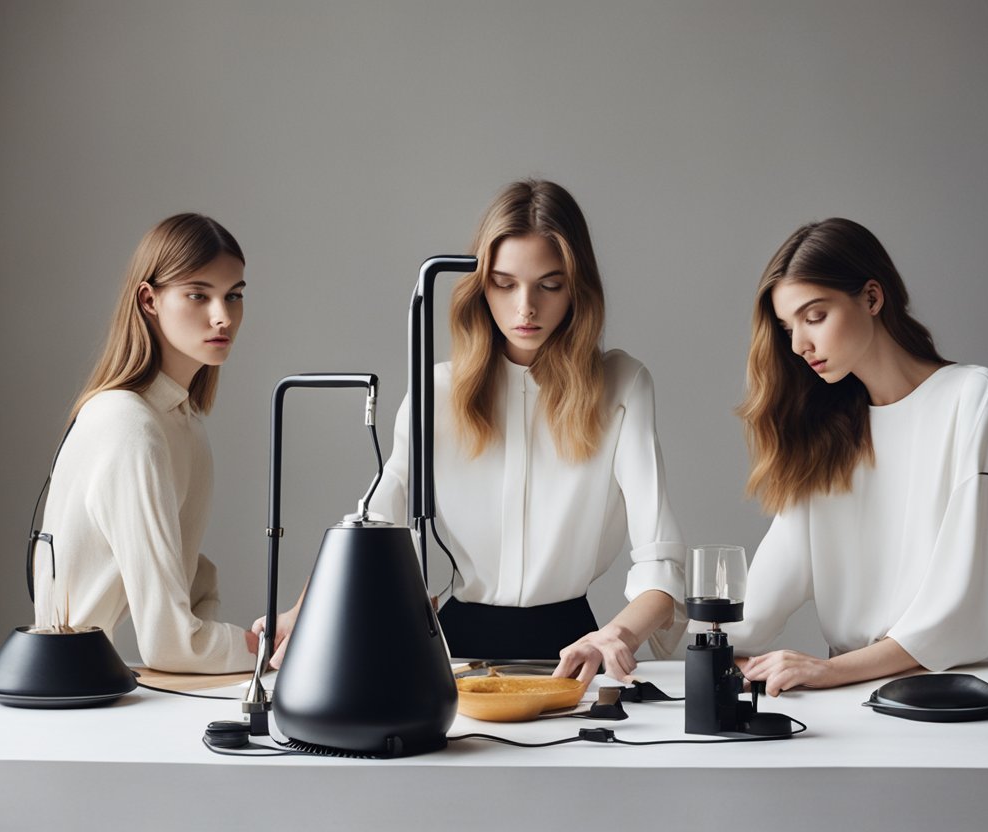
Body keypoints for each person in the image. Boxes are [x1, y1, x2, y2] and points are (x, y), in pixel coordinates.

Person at [256, 180, 686, 683]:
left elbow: (661, 559)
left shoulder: (622, 385)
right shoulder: (435, 391)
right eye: (505, 283)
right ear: (480, 284)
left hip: (573, 653)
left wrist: (620, 634)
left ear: (577, 288)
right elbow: (375, 518)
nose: (526, 307)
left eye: (549, 284)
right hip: (452, 652)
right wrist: (300, 615)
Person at [729, 217, 988, 696]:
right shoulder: (826, 431)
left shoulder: (971, 398)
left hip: (939, 695)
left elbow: (968, 597)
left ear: (872, 298)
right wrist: (642, 632)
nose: (798, 345)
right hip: (843, 697)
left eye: (814, 317)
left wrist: (832, 671)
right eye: (787, 327)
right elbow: (759, 602)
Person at [32, 213, 257, 673]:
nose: (223, 316)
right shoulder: (128, 425)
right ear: (148, 300)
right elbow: (170, 645)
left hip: (117, 687)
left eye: (233, 295)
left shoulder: (183, 421)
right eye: (198, 294)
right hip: (77, 693)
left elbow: (188, 584)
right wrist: (265, 648)